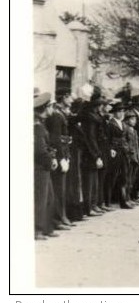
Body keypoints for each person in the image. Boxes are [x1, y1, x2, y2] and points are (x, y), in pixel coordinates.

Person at [45, 88, 73, 230]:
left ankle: (61, 217)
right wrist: (62, 157)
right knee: (59, 189)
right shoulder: (56, 116)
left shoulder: (59, 114)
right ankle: (58, 218)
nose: (71, 100)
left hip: (63, 153)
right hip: (60, 154)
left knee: (61, 189)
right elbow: (56, 139)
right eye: (69, 97)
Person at [34, 90, 57, 240]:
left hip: (43, 166)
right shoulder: (38, 127)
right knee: (42, 199)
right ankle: (38, 230)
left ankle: (47, 228)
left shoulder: (39, 124)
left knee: (48, 197)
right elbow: (40, 151)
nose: (51, 110)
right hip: (40, 168)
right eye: (50, 107)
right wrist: (51, 160)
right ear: (44, 109)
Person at [78, 95, 107, 216]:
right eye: (100, 104)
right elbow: (90, 138)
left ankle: (93, 205)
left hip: (95, 151)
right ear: (95, 106)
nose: (101, 107)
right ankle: (89, 207)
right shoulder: (90, 118)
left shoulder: (95, 116)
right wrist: (96, 155)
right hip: (90, 152)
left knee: (94, 180)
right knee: (89, 181)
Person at [122, 110, 139, 209]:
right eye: (132, 119)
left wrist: (138, 157)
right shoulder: (125, 129)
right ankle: (125, 199)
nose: (134, 121)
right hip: (129, 157)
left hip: (135, 158)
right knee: (126, 179)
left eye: (135, 119)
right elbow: (124, 142)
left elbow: (137, 146)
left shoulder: (134, 131)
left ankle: (129, 198)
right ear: (127, 120)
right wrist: (129, 152)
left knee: (131, 180)